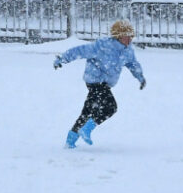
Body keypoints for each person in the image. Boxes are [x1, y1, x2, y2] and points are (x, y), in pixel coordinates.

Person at [53, 20, 146, 148]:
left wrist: (140, 77)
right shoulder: (102, 46)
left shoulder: (128, 51)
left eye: (131, 36)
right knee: (110, 107)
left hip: (105, 84)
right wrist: (62, 59)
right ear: (118, 36)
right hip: (95, 81)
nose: (130, 39)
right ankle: (86, 130)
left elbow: (133, 64)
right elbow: (80, 51)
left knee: (88, 111)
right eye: (127, 36)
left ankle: (70, 140)